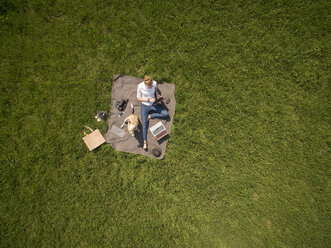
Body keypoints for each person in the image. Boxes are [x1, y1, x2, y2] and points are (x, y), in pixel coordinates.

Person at [137, 75, 169, 150]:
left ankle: (151, 116)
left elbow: (155, 89)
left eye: (151, 85)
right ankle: (145, 141)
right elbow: (138, 98)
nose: (151, 87)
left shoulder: (154, 83)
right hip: (145, 106)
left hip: (154, 104)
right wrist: (148, 100)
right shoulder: (140, 86)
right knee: (144, 124)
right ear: (145, 84)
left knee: (166, 114)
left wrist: (157, 95)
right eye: (149, 86)